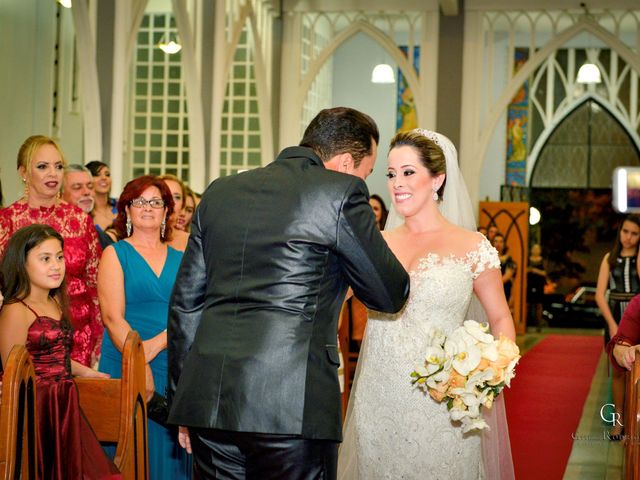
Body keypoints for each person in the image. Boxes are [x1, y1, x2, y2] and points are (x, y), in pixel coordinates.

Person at [167, 107, 410, 479]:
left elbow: (186, 306)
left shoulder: (220, 192)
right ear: (346, 162)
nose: (365, 178)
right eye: (368, 169)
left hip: (210, 404)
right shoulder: (340, 193)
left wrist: (184, 405)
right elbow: (389, 293)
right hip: (292, 406)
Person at [338, 129, 516, 479]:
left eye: (408, 172)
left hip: (444, 402)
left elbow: (500, 319)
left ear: (438, 179)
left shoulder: (472, 246)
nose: (396, 183)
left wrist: (487, 376)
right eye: (390, 174)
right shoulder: (376, 243)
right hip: (380, 396)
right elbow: (331, 298)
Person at [0, 224, 120, 479]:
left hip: (64, 401)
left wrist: (88, 373)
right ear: (22, 263)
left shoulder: (54, 301)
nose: (56, 265)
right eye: (45, 259)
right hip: (36, 410)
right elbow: (12, 374)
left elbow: (58, 358)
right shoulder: (15, 310)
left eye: (59, 257)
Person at [98, 175, 192, 479]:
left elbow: (192, 312)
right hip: (126, 360)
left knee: (171, 457)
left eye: (156, 201)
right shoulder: (115, 254)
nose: (148, 208)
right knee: (133, 456)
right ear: (127, 209)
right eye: (140, 201)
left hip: (173, 362)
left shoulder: (183, 259)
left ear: (167, 211)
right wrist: (139, 359)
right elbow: (113, 318)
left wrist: (163, 340)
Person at [0, 135, 103, 367]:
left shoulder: (80, 220)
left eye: (58, 167)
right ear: (24, 173)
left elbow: (95, 284)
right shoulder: (7, 221)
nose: (53, 173)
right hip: (29, 337)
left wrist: (98, 337)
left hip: (79, 334)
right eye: (42, 167)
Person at [595, 214, 640, 440]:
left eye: (634, 233)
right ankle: (618, 421)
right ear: (619, 232)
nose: (628, 238)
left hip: (635, 314)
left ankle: (634, 418)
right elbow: (599, 295)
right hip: (615, 315)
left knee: (636, 369)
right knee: (618, 372)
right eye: (625, 232)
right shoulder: (609, 258)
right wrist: (613, 325)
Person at [63, 164, 114, 249]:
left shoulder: (94, 231)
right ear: (60, 193)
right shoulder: (53, 230)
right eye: (77, 187)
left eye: (90, 186)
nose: (86, 192)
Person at [158, 174, 190, 251]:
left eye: (177, 197)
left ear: (183, 204)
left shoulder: (192, 241)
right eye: (165, 195)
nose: (171, 202)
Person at [86, 160, 118, 232]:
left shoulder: (121, 206)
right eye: (97, 175)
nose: (104, 178)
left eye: (107, 175)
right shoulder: (84, 213)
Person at [527, 243, 547, 331]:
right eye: (534, 248)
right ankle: (525, 324)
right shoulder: (527, 259)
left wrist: (535, 270)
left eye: (537, 249)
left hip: (539, 285)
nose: (535, 250)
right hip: (529, 284)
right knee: (527, 304)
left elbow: (545, 273)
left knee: (539, 305)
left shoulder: (543, 261)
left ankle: (539, 325)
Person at [493, 233, 517, 303]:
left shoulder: (509, 260)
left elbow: (506, 277)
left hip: (503, 291)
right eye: (496, 241)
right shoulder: (487, 258)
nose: (498, 244)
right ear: (492, 243)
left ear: (504, 244)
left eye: (501, 241)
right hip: (490, 291)